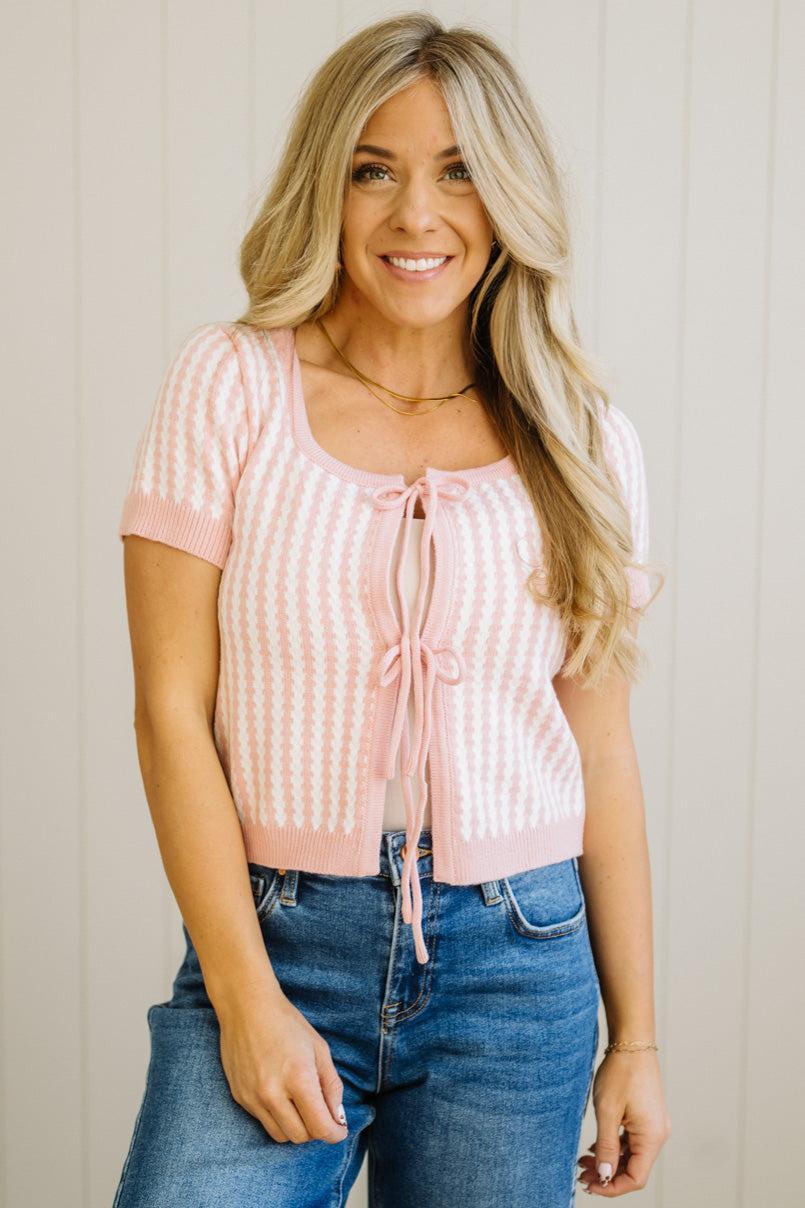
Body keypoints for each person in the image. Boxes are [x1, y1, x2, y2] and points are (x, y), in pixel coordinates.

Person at [113, 11, 671, 1206]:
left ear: (508, 195)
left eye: (459, 170)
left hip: (520, 971)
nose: (417, 214)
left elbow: (602, 748)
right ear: (329, 185)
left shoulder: (583, 439)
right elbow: (170, 712)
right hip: (276, 940)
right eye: (375, 169)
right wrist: (248, 996)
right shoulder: (231, 384)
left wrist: (636, 1041)